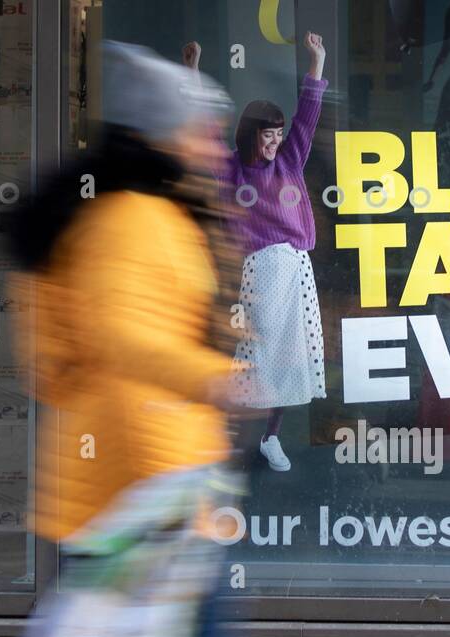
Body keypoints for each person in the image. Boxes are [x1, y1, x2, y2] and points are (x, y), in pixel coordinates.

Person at [0, 42, 369, 637]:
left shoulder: (144, 208)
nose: (215, 143)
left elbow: (70, 350)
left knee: (136, 622)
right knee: (104, 631)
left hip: (151, 461)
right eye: (202, 129)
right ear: (165, 135)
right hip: (137, 464)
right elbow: (121, 336)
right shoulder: (133, 218)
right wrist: (213, 377)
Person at [184, 34, 329, 474]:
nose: (275, 142)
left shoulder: (289, 161)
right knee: (253, 358)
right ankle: (221, 435)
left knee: (291, 357)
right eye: (268, 135)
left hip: (295, 268)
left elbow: (308, 117)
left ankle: (270, 437)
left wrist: (317, 61)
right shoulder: (228, 167)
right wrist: (191, 71)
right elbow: (200, 129)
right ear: (252, 135)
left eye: (279, 134)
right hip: (256, 271)